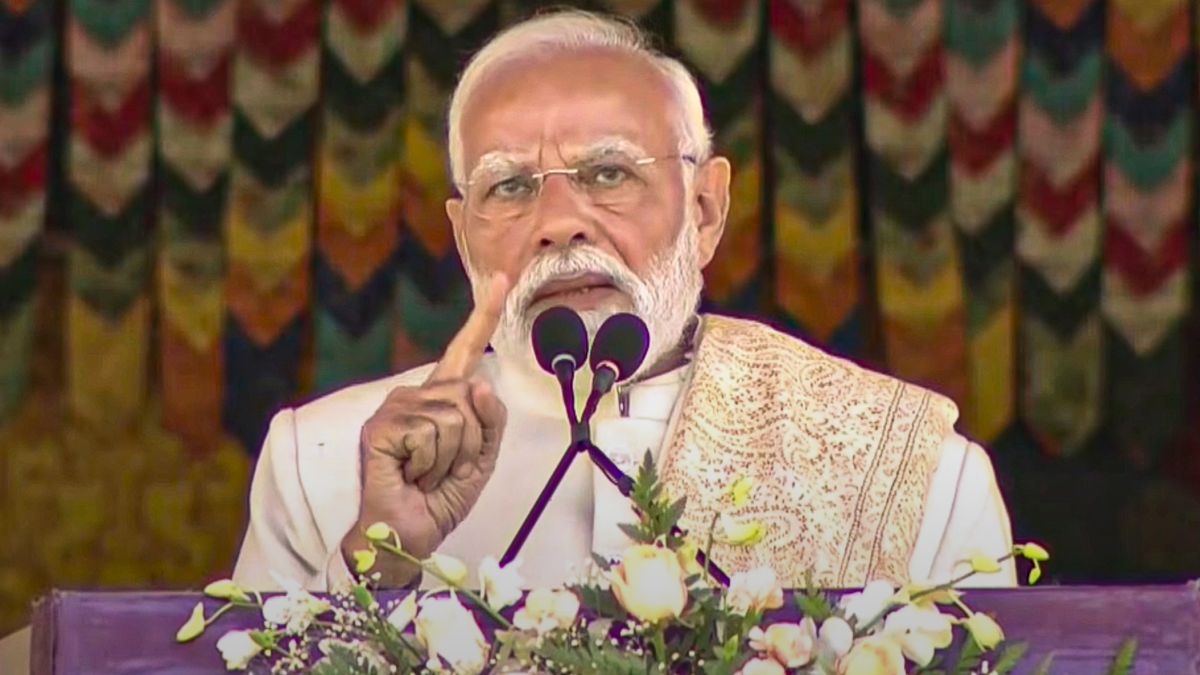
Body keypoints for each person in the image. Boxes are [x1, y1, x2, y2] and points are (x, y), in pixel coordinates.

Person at [231, 9, 1016, 593]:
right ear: (465, 239)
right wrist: (379, 560)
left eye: (609, 173)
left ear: (705, 210)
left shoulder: (915, 473)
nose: (558, 222)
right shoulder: (323, 463)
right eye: (510, 187)